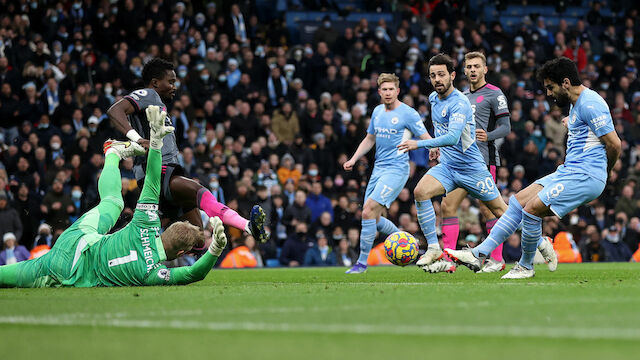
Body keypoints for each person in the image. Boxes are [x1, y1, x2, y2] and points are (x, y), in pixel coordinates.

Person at [0, 106, 227, 287]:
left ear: (166, 230)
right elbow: (191, 273)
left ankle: (112, 153)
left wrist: (156, 144)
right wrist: (214, 250)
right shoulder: (153, 273)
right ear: (181, 253)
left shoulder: (146, 224)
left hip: (78, 237)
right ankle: (113, 152)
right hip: (63, 271)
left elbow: (153, 182)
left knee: (113, 202)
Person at [447, 57, 621, 279]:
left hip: (586, 176)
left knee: (531, 210)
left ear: (565, 82)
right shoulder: (578, 104)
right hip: (570, 171)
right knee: (518, 200)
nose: (549, 94)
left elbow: (614, 143)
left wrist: (606, 171)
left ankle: (526, 265)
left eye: (551, 87)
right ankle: (479, 253)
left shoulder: (590, 104)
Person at [107, 58, 267, 246]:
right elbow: (115, 110)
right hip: (156, 170)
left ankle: (127, 250)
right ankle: (249, 226)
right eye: (171, 81)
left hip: (165, 171)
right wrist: (137, 139)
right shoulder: (148, 94)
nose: (175, 86)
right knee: (201, 193)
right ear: (155, 82)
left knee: (196, 238)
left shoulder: (158, 104)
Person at [398, 54, 509, 273]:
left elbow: (505, 127)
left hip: (478, 164)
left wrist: (420, 144)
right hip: (450, 166)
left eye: (477, 66)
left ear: (452, 75)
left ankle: (529, 245)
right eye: (433, 76)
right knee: (426, 194)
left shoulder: (485, 96)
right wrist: (434, 146)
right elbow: (441, 127)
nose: (437, 79)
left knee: (496, 212)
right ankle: (439, 252)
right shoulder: (435, 98)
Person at [343, 73, 431, 274]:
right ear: (379, 92)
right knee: (371, 218)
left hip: (397, 170)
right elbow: (369, 139)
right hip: (378, 169)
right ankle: (404, 240)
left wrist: (435, 148)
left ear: (398, 91)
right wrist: (354, 159)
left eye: (392, 89)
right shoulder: (377, 112)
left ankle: (361, 264)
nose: (388, 93)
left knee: (367, 211)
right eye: (385, 89)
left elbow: (424, 135)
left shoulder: (408, 113)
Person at [439, 52, 512, 273]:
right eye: (469, 66)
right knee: (447, 205)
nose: (472, 70)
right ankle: (448, 260)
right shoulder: (460, 97)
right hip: (459, 162)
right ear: (464, 70)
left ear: (485, 69)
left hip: (483, 160)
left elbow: (506, 127)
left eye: (476, 66)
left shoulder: (494, 94)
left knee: (488, 210)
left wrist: (488, 136)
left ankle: (497, 259)